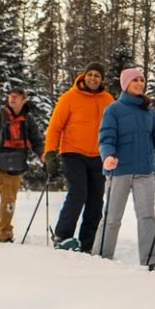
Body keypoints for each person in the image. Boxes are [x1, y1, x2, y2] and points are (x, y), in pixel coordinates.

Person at [96, 66, 155, 267]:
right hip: (120, 170)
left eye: (142, 80)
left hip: (145, 171)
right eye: (135, 80)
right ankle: (100, 256)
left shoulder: (148, 111)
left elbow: (153, 139)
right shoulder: (113, 109)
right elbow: (106, 137)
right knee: (112, 217)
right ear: (125, 84)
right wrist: (107, 156)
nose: (140, 84)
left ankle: (151, 261)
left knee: (147, 216)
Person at [42, 63, 114, 251]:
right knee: (78, 192)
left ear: (102, 79)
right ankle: (62, 235)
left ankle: (87, 241)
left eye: (97, 75)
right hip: (72, 152)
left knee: (96, 198)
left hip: (99, 155)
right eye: (89, 74)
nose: (93, 78)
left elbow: (115, 128)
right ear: (83, 76)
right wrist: (50, 153)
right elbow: (55, 127)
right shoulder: (69, 97)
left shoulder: (108, 99)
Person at [0, 83, 43, 244]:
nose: (12, 98)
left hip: (16, 165)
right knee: (8, 198)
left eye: (17, 95)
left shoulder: (27, 119)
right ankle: (5, 235)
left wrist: (43, 154)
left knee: (11, 198)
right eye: (10, 95)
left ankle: (0, 234)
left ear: (24, 100)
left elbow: (36, 140)